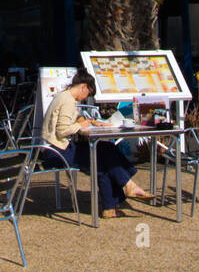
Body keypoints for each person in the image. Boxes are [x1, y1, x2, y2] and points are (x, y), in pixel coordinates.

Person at [41, 70, 153, 218]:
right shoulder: (68, 100)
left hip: (54, 147)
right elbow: (62, 130)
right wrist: (82, 127)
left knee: (105, 148)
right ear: (84, 86)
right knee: (101, 161)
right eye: (88, 93)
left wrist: (91, 122)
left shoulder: (65, 96)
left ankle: (121, 193)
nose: (86, 97)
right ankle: (120, 194)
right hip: (57, 150)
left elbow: (70, 119)